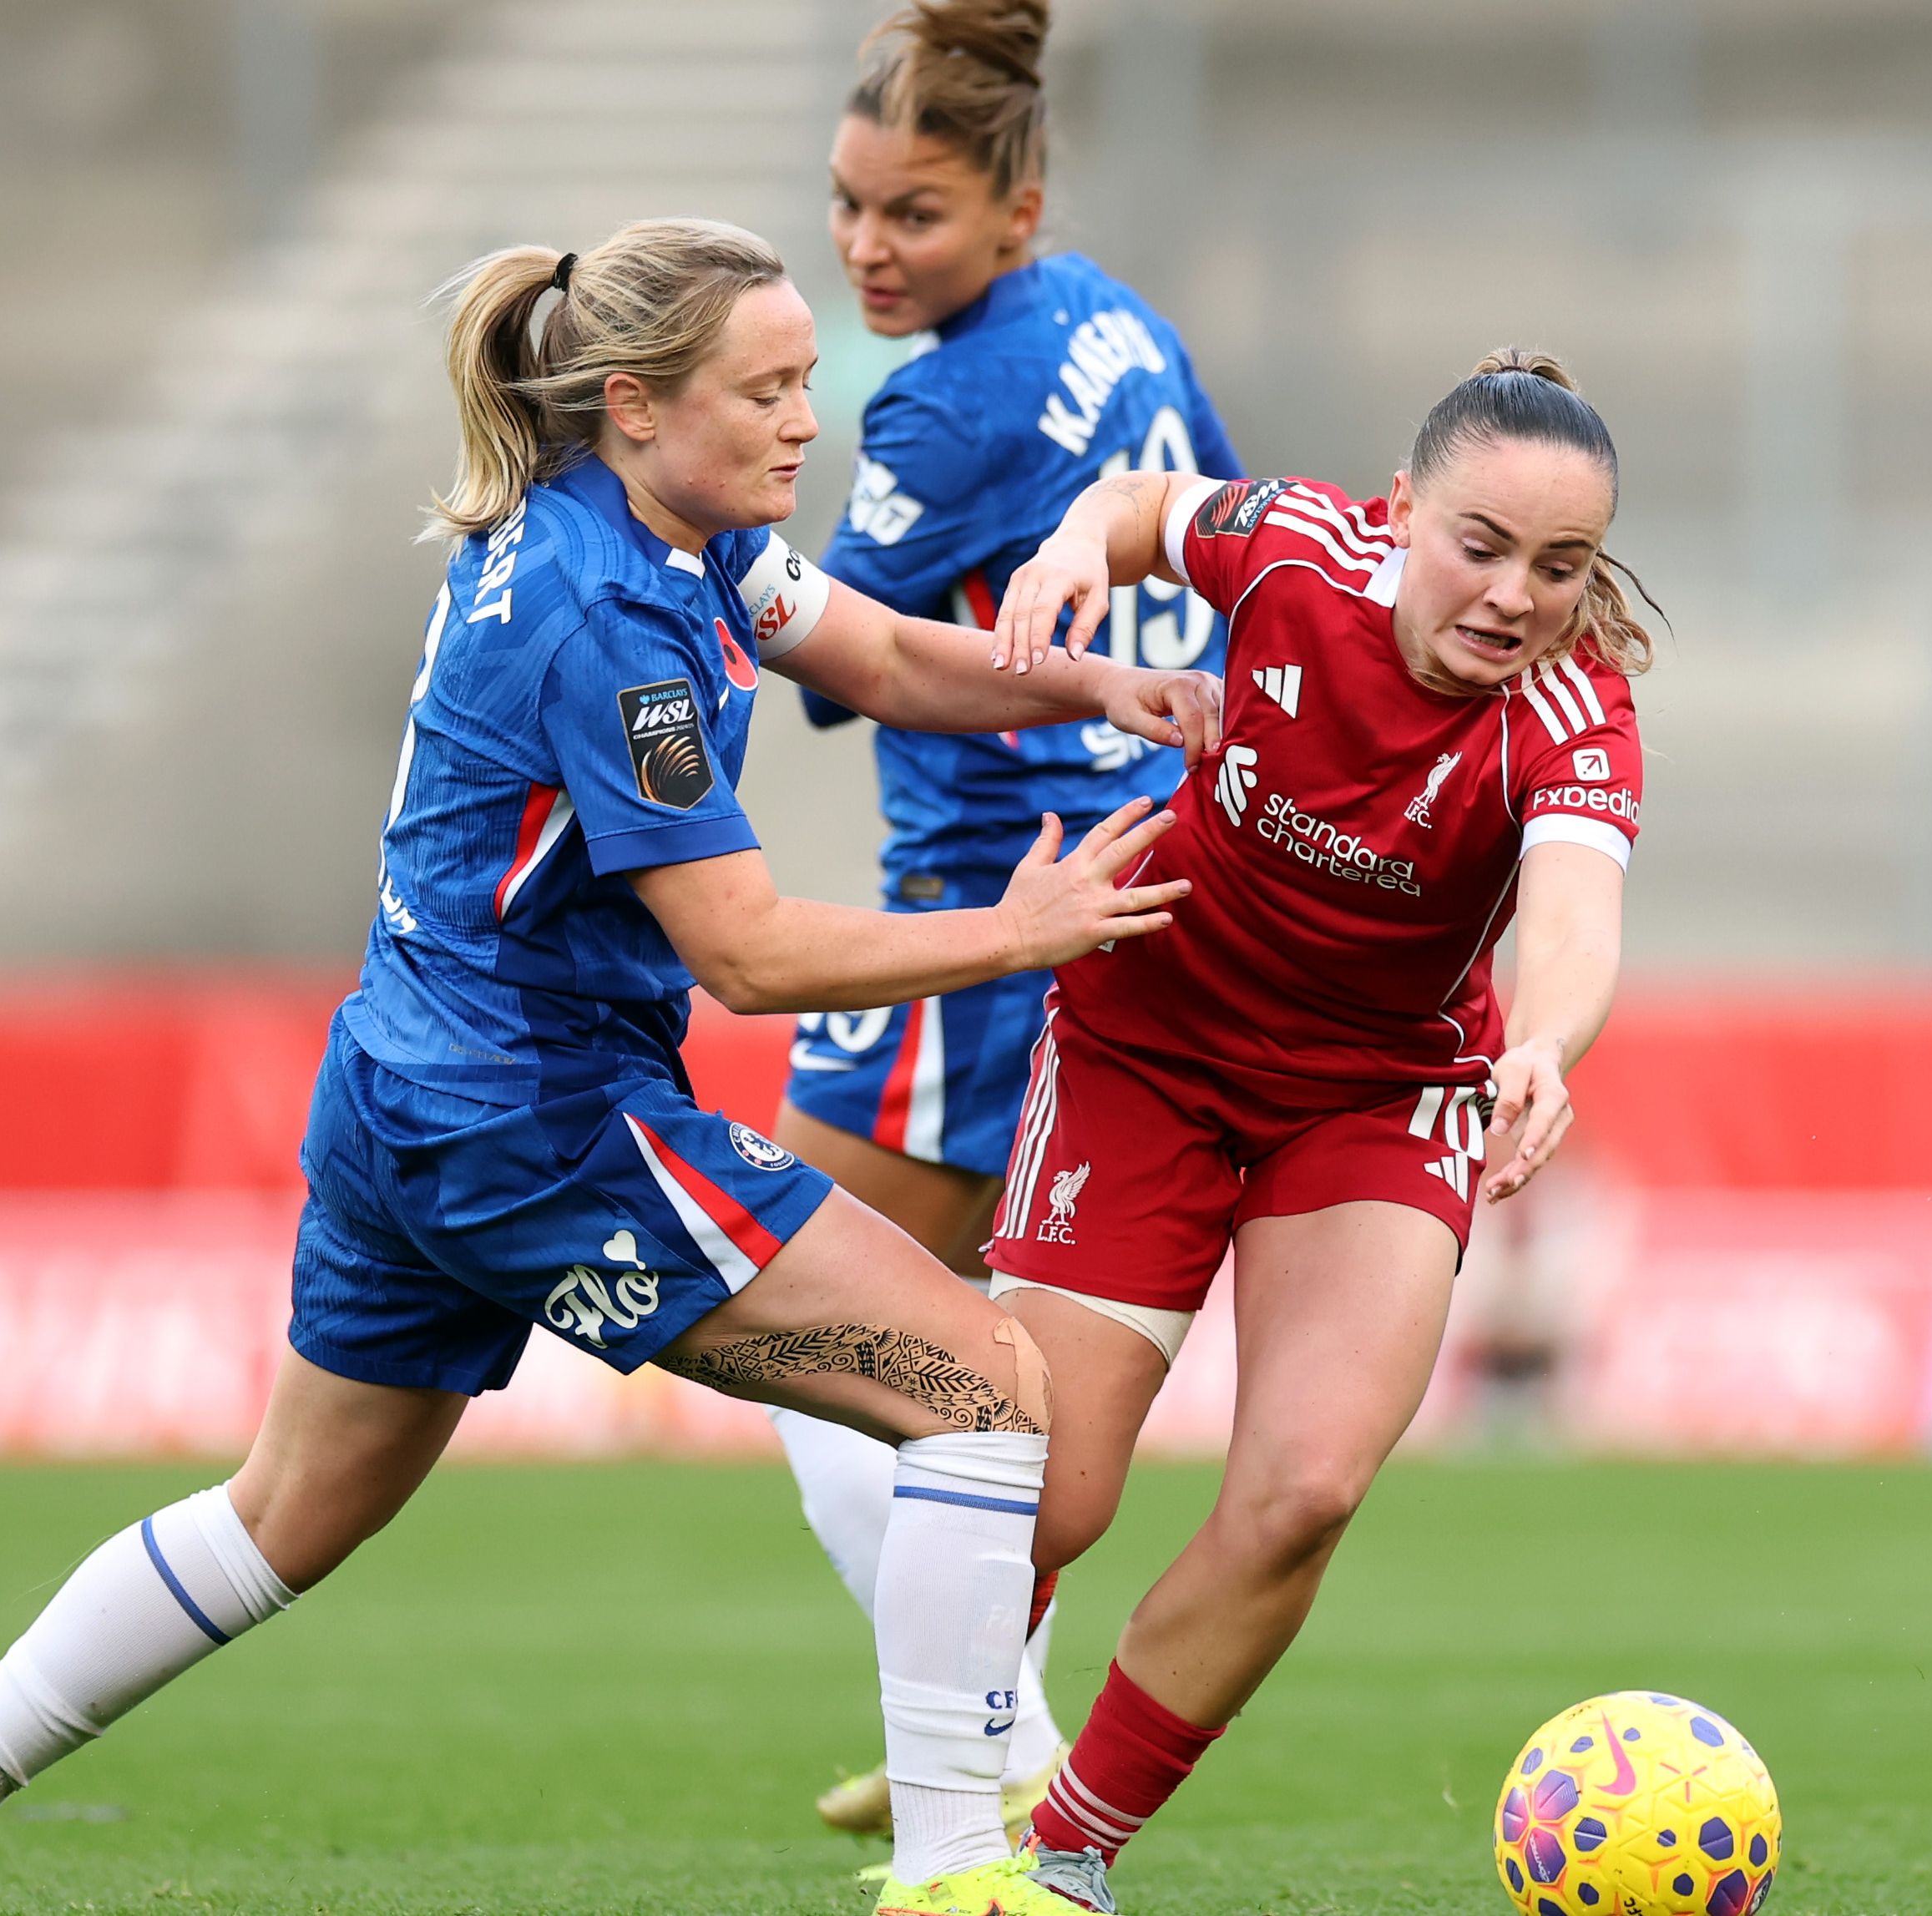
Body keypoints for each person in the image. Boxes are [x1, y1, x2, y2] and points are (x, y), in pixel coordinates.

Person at [0, 217, 1225, 1916]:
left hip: (404, 1083)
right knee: (985, 1384)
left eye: (804, 382)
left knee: (286, 1510)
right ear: (632, 402)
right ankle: (957, 1872)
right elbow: (746, 950)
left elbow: (891, 655)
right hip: (538, 1117)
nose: (801, 420)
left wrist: (1101, 678)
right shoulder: (611, 617)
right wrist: (1018, 926)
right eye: (764, 390)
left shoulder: (657, 535)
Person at [979, 351, 1656, 1913]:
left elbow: (1572, 905)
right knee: (1042, 1490)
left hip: (1376, 1093)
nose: (1513, 598)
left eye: (1560, 568)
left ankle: (1061, 1861)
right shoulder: (1297, 547)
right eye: (1480, 546)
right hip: (1147, 1044)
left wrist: (1544, 1045)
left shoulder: (1572, 710)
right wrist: (1084, 543)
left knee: (1305, 1491)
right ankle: (950, 1818)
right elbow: (1149, 508)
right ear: (1402, 510)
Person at [760, 0, 1240, 1844]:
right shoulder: (1121, 320)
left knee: (790, 1311)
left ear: (1017, 209)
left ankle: (985, 1721)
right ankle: (971, 1707)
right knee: (920, 1346)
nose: (873, 248)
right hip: (1125, 866)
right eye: (853, 207)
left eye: (918, 216)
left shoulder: (947, 398)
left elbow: (846, 657)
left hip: (990, 903)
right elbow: (1214, 522)